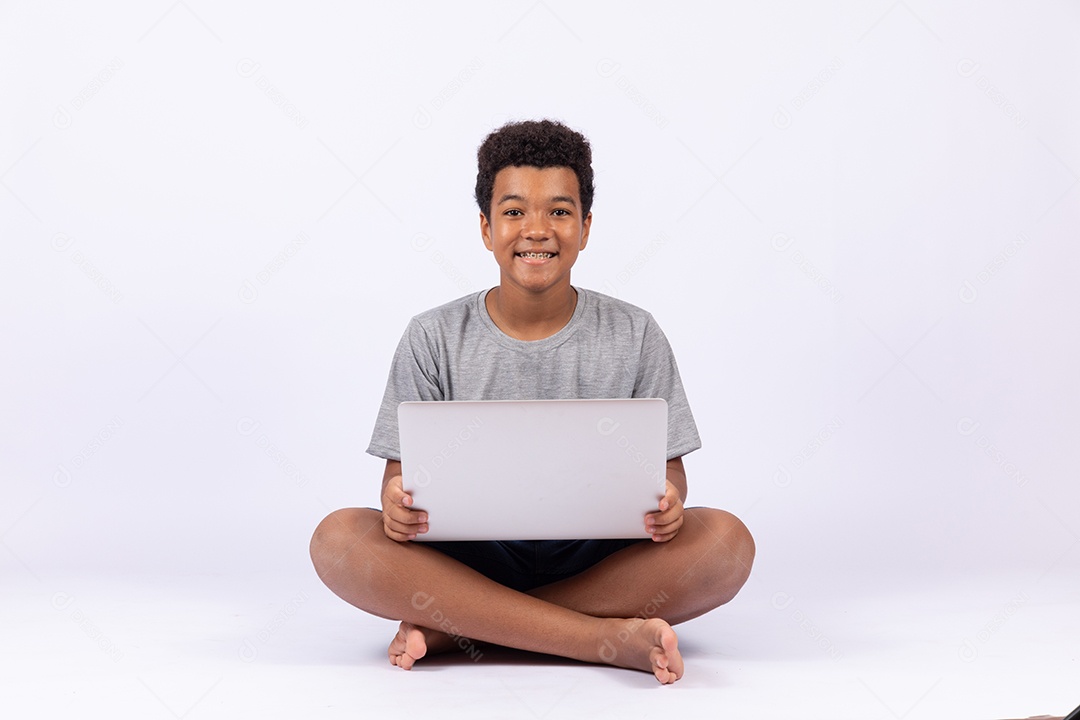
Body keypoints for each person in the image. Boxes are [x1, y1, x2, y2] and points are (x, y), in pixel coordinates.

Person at [310, 119, 755, 684]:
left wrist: (670, 504)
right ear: (485, 226)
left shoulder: (636, 332)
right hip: (467, 559)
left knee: (727, 544)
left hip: (601, 558)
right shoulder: (432, 336)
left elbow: (671, 474)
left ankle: (464, 628)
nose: (537, 230)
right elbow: (398, 480)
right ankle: (598, 639)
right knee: (339, 539)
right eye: (515, 211)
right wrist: (396, 504)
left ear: (587, 227)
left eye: (560, 212)